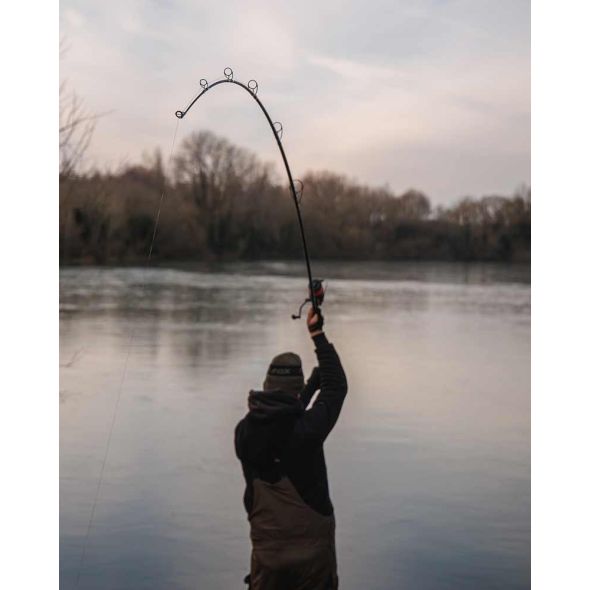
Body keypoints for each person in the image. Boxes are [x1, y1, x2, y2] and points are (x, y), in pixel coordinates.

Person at [235, 306, 348, 590]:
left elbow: (281, 419)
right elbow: (337, 388)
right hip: (312, 564)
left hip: (268, 561)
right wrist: (317, 334)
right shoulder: (307, 431)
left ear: (266, 386)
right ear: (295, 392)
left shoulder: (244, 432)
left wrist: (309, 388)